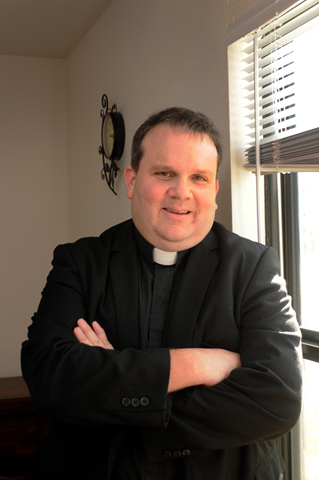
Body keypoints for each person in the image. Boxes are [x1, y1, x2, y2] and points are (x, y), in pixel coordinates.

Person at [21, 107, 302, 480]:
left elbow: (277, 400)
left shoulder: (254, 267)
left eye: (199, 177)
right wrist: (199, 364)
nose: (181, 192)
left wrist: (114, 384)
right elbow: (50, 378)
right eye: (165, 173)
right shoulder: (80, 262)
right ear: (132, 181)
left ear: (214, 191)